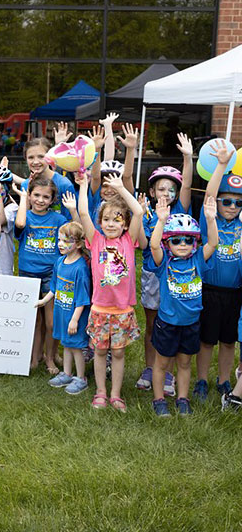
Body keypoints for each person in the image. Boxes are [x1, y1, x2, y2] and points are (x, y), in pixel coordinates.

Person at [77, 171, 143, 413]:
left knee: (117, 353)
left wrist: (121, 189)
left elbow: (138, 211)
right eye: (106, 220)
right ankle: (101, 392)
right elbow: (83, 212)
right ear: (100, 223)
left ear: (124, 224)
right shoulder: (95, 241)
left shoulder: (129, 240)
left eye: (117, 220)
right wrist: (83, 186)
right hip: (100, 308)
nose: (111, 224)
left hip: (123, 309)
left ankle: (115, 395)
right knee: (100, 351)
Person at [147, 197, 218, 416]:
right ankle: (159, 400)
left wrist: (210, 219)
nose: (183, 244)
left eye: (188, 240)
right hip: (167, 323)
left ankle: (182, 398)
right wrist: (160, 221)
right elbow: (152, 245)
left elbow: (213, 243)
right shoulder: (164, 262)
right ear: (168, 242)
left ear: (194, 242)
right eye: (176, 240)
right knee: (161, 362)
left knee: (185, 363)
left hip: (191, 323)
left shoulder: (197, 259)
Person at [136, 133, 194, 394]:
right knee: (152, 324)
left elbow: (188, 186)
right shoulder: (147, 212)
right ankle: (151, 368)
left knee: (172, 324)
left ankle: (168, 373)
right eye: (161, 188)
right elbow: (146, 245)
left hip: (178, 277)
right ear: (151, 191)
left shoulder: (181, 210)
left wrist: (188, 158)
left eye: (171, 188)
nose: (166, 192)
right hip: (152, 273)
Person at [194, 140, 241, 401]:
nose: (232, 206)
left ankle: (224, 380)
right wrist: (222, 164)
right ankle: (201, 380)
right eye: (227, 201)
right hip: (209, 291)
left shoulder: (241, 225)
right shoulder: (209, 220)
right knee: (207, 340)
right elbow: (210, 197)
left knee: (228, 341)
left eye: (238, 203)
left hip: (234, 292)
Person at [13, 177, 66, 374]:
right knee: (35, 321)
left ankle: (50, 358)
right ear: (30, 196)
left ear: (52, 200)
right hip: (28, 274)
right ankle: (35, 358)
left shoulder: (59, 220)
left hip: (50, 275)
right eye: (36, 195)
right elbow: (19, 224)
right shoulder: (25, 216)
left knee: (51, 322)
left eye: (46, 197)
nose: (40, 200)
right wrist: (23, 199)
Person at [36, 221, 91, 395]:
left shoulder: (81, 268)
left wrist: (75, 320)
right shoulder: (59, 262)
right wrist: (44, 300)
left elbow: (83, 299)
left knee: (76, 347)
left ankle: (81, 378)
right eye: (59, 240)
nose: (60, 244)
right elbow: (54, 287)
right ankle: (67, 373)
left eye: (67, 241)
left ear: (79, 244)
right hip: (61, 312)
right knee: (66, 345)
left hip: (74, 316)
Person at [20, 137, 75, 219]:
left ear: (49, 157)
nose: (35, 162)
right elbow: (23, 219)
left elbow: (71, 219)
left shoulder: (64, 184)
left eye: (41, 157)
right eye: (31, 157)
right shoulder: (25, 185)